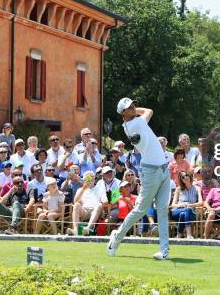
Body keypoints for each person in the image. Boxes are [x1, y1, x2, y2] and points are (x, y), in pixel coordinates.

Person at [107, 98, 171, 260]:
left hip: (163, 169)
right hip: (151, 171)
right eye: (130, 107)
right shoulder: (135, 124)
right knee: (140, 210)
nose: (134, 107)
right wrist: (136, 112)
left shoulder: (134, 121)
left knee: (162, 210)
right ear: (123, 113)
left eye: (134, 105)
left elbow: (147, 111)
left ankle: (164, 251)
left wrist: (133, 111)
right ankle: (116, 238)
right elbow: (149, 110)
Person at [67, 171, 106, 236]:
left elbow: (105, 201)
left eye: (91, 178)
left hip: (95, 210)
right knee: (76, 204)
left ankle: (88, 228)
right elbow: (75, 201)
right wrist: (84, 188)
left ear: (94, 179)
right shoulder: (80, 189)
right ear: (84, 180)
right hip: (84, 211)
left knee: (99, 205)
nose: (90, 180)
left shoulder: (99, 188)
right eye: (88, 178)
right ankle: (76, 230)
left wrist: (103, 206)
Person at [170, 171, 202, 239]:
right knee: (185, 211)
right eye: (183, 177)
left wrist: (190, 205)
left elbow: (201, 202)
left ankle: (179, 235)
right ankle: (189, 234)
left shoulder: (197, 188)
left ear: (189, 176)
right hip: (177, 210)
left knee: (184, 213)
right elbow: (173, 205)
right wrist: (181, 204)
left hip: (192, 212)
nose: (186, 177)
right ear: (181, 180)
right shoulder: (178, 189)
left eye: (186, 175)